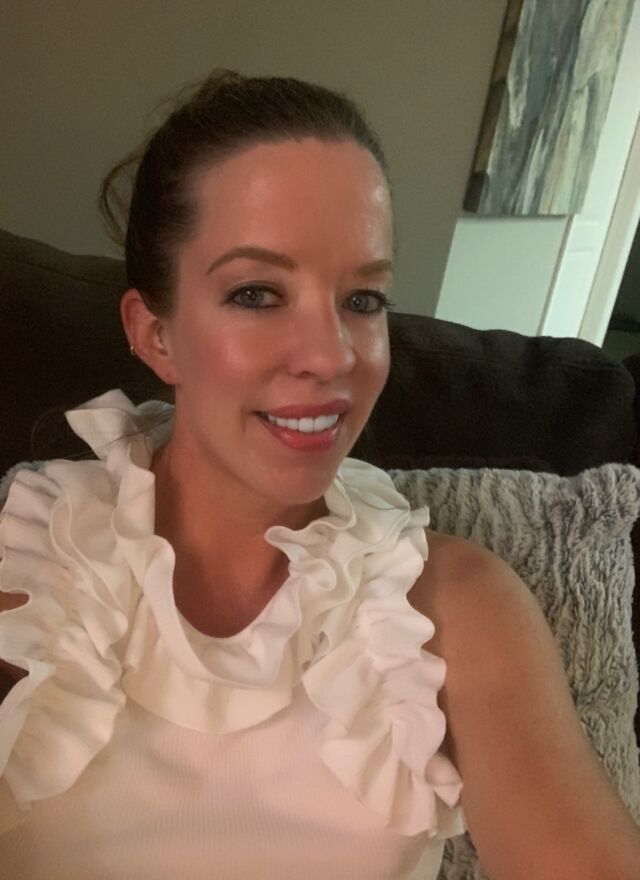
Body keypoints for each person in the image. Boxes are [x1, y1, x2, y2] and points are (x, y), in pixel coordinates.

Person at [0, 70, 639, 880]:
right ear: (155, 333)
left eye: (363, 300)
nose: (332, 357)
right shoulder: (28, 573)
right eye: (257, 293)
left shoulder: (452, 606)